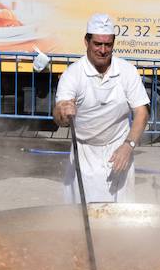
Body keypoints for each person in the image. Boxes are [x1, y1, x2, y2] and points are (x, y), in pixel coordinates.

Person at [53, 14, 150, 203]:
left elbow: (141, 112)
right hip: (84, 151)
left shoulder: (127, 71)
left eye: (108, 45)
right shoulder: (73, 74)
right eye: (98, 44)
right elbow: (59, 115)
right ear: (86, 42)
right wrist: (63, 112)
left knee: (121, 213)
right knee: (82, 215)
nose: (103, 50)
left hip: (119, 147)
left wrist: (128, 146)